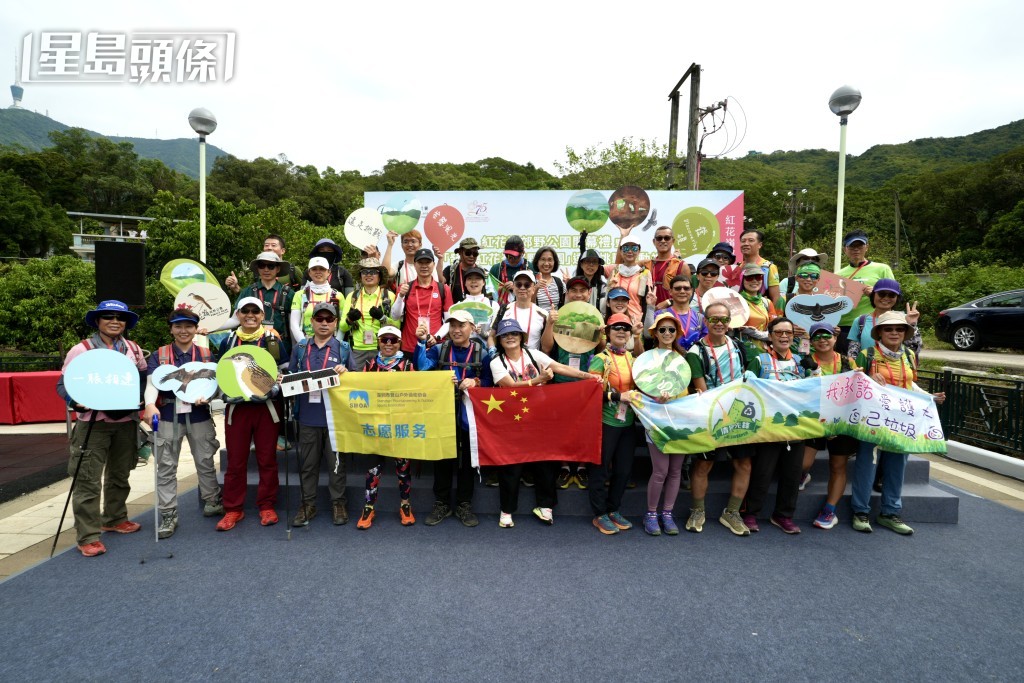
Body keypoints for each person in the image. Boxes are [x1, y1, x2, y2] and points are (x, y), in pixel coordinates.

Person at [56, 300, 148, 557]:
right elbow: (63, 385)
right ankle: (87, 535)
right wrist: (75, 401)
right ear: (97, 321)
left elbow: (141, 378)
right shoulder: (81, 350)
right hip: (92, 424)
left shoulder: (134, 349)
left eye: (120, 317)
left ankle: (115, 517)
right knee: (87, 479)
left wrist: (141, 399)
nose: (114, 321)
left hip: (126, 422)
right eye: (108, 316)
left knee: (121, 473)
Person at [490, 318, 598, 527]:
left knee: (546, 461)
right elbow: (510, 385)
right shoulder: (497, 362)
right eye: (505, 335)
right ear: (500, 340)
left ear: (521, 337)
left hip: (539, 417)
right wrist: (537, 381)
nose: (510, 337)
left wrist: (588, 377)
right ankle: (506, 510)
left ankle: (546, 506)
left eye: (514, 333)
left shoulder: (533, 354)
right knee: (511, 466)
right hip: (512, 420)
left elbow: (559, 368)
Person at [850, 311, 946, 535]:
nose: (894, 333)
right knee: (867, 465)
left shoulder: (910, 355)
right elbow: (853, 382)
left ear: (905, 333)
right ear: (879, 333)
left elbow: (910, 385)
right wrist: (867, 378)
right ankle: (860, 512)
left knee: (896, 467)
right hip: (873, 420)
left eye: (899, 329)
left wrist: (929, 397)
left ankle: (890, 512)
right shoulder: (867, 354)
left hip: (901, 421)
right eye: (888, 329)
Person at [143, 308, 222, 539]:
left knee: (206, 460)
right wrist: (149, 404)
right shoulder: (160, 355)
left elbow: (217, 386)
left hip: (199, 414)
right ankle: (168, 513)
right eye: (178, 326)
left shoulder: (207, 355)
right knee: (166, 465)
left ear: (196, 329)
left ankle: (212, 500)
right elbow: (152, 384)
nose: (183, 331)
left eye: (188, 326)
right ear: (171, 329)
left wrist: (210, 397)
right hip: (168, 414)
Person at [415, 310, 493, 527]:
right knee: (442, 457)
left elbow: (490, 381)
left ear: (472, 327)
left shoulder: (482, 352)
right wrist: (421, 343)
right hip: (443, 413)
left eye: (461, 325)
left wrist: (476, 382)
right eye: (453, 326)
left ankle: (464, 503)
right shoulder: (439, 349)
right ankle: (441, 502)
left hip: (469, 415)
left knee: (468, 459)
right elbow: (422, 369)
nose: (457, 330)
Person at [214, 297, 286, 531]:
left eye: (256, 311)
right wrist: (224, 393)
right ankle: (233, 509)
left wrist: (276, 386)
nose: (251, 315)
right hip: (238, 408)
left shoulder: (273, 340)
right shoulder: (229, 341)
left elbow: (285, 371)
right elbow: (221, 373)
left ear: (262, 315)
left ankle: (267, 505)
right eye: (246, 311)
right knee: (235, 461)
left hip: (266, 409)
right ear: (238, 314)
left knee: (267, 459)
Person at [684, 301, 753, 537]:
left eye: (724, 319)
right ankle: (697, 510)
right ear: (705, 321)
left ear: (730, 322)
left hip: (740, 414)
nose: (719, 323)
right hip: (711, 415)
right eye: (714, 319)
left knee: (743, 463)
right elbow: (702, 389)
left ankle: (732, 512)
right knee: (704, 464)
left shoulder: (741, 347)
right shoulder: (696, 352)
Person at [742, 316, 812, 534]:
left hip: (796, 425)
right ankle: (751, 512)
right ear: (770, 336)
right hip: (768, 426)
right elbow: (748, 391)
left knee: (792, 474)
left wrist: (815, 370)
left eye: (788, 333)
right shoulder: (759, 360)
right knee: (763, 471)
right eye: (779, 332)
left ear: (793, 336)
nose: (784, 336)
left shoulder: (802, 361)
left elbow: (815, 389)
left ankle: (783, 515)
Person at [288, 302, 350, 527]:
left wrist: (347, 372)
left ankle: (338, 503)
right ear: (312, 321)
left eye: (329, 319)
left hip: (335, 417)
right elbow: (291, 374)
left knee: (336, 464)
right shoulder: (301, 347)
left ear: (335, 323)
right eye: (320, 319)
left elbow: (354, 383)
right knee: (308, 464)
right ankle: (307, 504)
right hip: (307, 415)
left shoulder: (343, 348)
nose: (324, 323)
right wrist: (285, 380)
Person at [357, 325, 417, 529]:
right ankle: (369, 507)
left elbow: (417, 391)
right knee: (373, 470)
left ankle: (405, 505)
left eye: (393, 340)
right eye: (384, 340)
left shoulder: (408, 364)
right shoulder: (369, 364)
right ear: (378, 342)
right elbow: (359, 389)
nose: (388, 344)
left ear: (400, 343)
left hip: (400, 424)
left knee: (403, 469)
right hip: (376, 424)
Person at [545, 276, 602, 490]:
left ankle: (582, 467)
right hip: (561, 382)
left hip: (587, 383)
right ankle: (564, 467)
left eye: (582, 291)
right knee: (562, 427)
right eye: (573, 290)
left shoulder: (596, 318)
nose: (578, 294)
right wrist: (550, 324)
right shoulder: (559, 317)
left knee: (584, 427)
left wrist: (602, 333)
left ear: (589, 294)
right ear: (567, 294)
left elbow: (600, 349)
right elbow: (547, 348)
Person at [802, 323, 858, 530]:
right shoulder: (804, 361)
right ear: (811, 341)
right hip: (812, 419)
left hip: (840, 420)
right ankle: (803, 474)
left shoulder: (848, 362)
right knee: (803, 464)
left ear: (835, 338)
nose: (822, 340)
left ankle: (830, 510)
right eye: (817, 337)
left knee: (837, 465)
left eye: (827, 336)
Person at [588, 313, 640, 535]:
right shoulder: (601, 358)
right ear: (607, 332)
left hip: (627, 422)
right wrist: (619, 397)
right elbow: (591, 390)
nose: (622, 331)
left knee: (623, 470)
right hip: (605, 422)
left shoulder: (633, 358)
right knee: (600, 470)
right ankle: (599, 514)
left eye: (626, 328)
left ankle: (614, 509)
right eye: (616, 327)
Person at [641, 312, 689, 535]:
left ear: (677, 333)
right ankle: (651, 514)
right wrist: (654, 398)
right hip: (656, 420)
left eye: (671, 330)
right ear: (655, 334)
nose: (667, 333)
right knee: (660, 470)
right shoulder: (646, 359)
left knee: (675, 471)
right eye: (663, 330)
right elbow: (640, 388)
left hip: (680, 420)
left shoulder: (684, 359)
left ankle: (667, 514)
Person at [836, 230, 895, 353]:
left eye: (860, 245)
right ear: (845, 249)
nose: (856, 249)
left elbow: (895, 296)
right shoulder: (838, 275)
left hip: (872, 324)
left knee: (872, 363)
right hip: (844, 326)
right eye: (852, 246)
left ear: (867, 247)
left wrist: (875, 293)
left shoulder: (882, 269)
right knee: (848, 365)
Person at [391, 248, 453, 357]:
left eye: (428, 262)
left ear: (433, 264)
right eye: (420, 262)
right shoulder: (405, 288)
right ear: (414, 265)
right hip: (410, 346)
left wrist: (437, 337)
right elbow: (395, 316)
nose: (424, 266)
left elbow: (449, 321)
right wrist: (400, 296)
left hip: (435, 346)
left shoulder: (443, 289)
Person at [339, 257, 398, 371]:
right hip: (358, 350)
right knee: (357, 385)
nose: (368, 275)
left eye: (373, 272)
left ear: (379, 276)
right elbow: (342, 327)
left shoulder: (389, 296)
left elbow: (396, 327)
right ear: (360, 276)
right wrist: (349, 320)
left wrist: (382, 317)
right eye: (364, 272)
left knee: (380, 386)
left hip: (383, 349)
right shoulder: (352, 297)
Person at [235, 250, 295, 359]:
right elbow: (235, 319)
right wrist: (211, 327)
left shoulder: (288, 293)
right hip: (251, 344)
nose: (266, 269)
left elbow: (293, 325)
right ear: (258, 269)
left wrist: (296, 351)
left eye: (271, 266)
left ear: (278, 269)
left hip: (281, 346)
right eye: (262, 266)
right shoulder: (248, 291)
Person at [846, 278, 922, 361]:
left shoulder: (903, 319)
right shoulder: (861, 321)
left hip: (897, 371)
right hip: (868, 370)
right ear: (873, 295)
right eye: (882, 294)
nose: (886, 298)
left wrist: (912, 325)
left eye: (891, 295)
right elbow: (853, 353)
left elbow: (914, 350)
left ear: (897, 298)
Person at [289, 256, 344, 345]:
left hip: (332, 343)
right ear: (309, 272)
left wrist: (336, 344)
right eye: (314, 269)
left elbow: (342, 325)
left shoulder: (338, 296)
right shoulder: (300, 295)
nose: (318, 272)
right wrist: (304, 344)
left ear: (328, 272)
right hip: (306, 341)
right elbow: (294, 324)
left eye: (322, 269)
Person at [225, 233, 302, 294]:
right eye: (266, 245)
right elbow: (249, 296)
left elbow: (305, 293)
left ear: (283, 251)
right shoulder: (257, 272)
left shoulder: (293, 270)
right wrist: (236, 287)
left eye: (273, 245)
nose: (269, 248)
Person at [649, 275, 707, 352]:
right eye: (677, 288)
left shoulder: (701, 318)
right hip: (667, 360)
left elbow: (706, 344)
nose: (682, 291)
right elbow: (647, 335)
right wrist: (650, 307)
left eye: (686, 288)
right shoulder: (659, 315)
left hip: (692, 361)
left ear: (692, 291)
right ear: (670, 291)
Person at [604, 236, 652, 324]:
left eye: (634, 248)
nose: (630, 251)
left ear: (639, 251)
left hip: (635, 321)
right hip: (614, 321)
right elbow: (591, 267)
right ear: (621, 251)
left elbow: (646, 302)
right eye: (626, 248)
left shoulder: (644, 273)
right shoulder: (614, 270)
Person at [496, 270, 549, 351]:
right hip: (508, 360)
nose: (522, 288)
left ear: (534, 289)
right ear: (513, 287)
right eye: (518, 284)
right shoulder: (503, 310)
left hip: (533, 361)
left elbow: (546, 348)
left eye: (527, 285)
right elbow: (493, 335)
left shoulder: (543, 314)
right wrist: (492, 350)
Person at [725, 229, 780, 304]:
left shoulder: (769, 267)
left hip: (761, 313)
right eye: (743, 241)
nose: (746, 243)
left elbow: (776, 297)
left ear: (760, 245)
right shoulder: (737, 267)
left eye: (751, 240)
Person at [736, 263, 779, 357]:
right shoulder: (735, 300)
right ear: (742, 279)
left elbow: (776, 331)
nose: (754, 281)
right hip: (741, 353)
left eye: (758, 277)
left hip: (764, 353)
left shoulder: (767, 302)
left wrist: (757, 334)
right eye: (749, 277)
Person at [641, 225, 691, 304]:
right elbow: (621, 265)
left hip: (670, 314)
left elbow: (689, 294)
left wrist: (668, 302)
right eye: (659, 238)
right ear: (654, 241)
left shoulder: (681, 265)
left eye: (667, 238)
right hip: (648, 312)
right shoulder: (647, 264)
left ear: (673, 241)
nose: (663, 241)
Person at [780, 261, 822, 354]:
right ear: (797, 278)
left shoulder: (821, 302)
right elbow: (772, 326)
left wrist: (833, 330)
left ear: (818, 279)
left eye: (814, 276)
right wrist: (789, 330)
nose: (808, 279)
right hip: (788, 352)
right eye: (803, 275)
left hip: (814, 353)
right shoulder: (785, 299)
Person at [443, 237, 489, 304]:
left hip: (480, 312)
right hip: (455, 312)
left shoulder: (483, 272)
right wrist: (440, 260)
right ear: (460, 253)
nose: (472, 256)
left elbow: (491, 293)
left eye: (475, 253)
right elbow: (440, 283)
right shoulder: (451, 270)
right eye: (468, 253)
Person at [489, 235, 531, 306]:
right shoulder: (496, 269)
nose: (510, 259)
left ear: (522, 253)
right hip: (501, 310)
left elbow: (535, 292)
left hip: (524, 308)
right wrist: (498, 289)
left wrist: (517, 287)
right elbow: (489, 294)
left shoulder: (530, 267)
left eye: (514, 256)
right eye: (507, 255)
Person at [532, 246, 565, 312]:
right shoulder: (531, 282)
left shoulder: (559, 283)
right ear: (537, 262)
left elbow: (566, 304)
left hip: (556, 321)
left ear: (554, 262)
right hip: (537, 321)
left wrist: (569, 284)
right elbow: (528, 306)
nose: (546, 264)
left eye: (550, 260)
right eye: (543, 259)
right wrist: (536, 288)